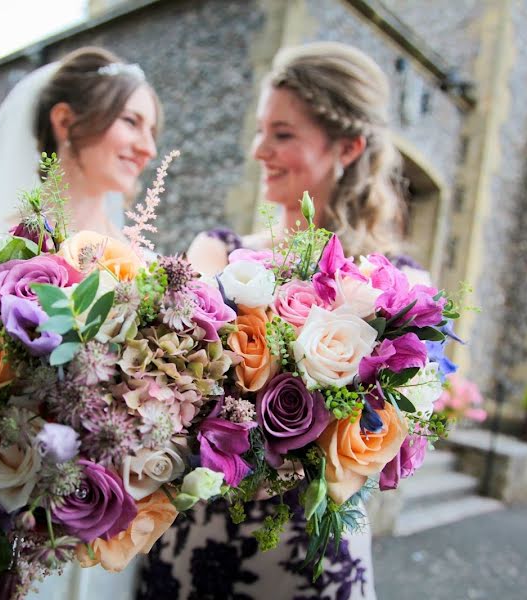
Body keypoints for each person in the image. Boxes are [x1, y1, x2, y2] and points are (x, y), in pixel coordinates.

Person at [137, 42, 408, 600]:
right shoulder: (217, 253)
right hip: (197, 541)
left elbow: (393, 441)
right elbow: (167, 382)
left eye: (283, 134)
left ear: (349, 147)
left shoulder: (398, 288)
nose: (260, 150)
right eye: (261, 130)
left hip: (310, 561)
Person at [0, 46, 160, 600]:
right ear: (66, 120)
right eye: (132, 122)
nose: (148, 147)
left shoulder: (145, 272)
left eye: (153, 129)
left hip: (87, 528)